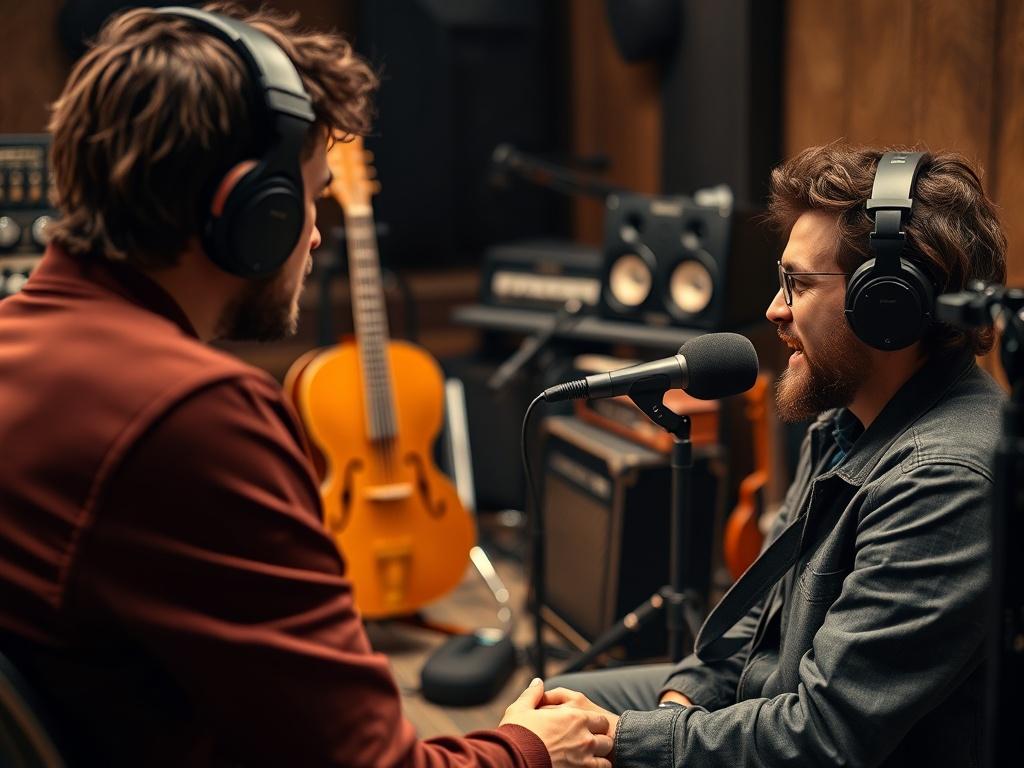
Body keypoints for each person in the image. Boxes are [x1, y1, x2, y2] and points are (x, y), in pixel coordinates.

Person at [0, 5, 614, 767]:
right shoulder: (190, 414)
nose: (317, 233)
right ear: (249, 210)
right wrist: (528, 747)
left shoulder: (18, 345)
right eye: (311, 198)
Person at [543, 143, 1007, 767]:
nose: (774, 309)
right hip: (761, 706)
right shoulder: (850, 422)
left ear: (887, 303)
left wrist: (632, 742)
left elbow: (823, 736)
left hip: (802, 740)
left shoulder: (945, 481)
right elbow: (761, 605)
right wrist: (684, 701)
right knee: (544, 720)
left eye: (797, 283)